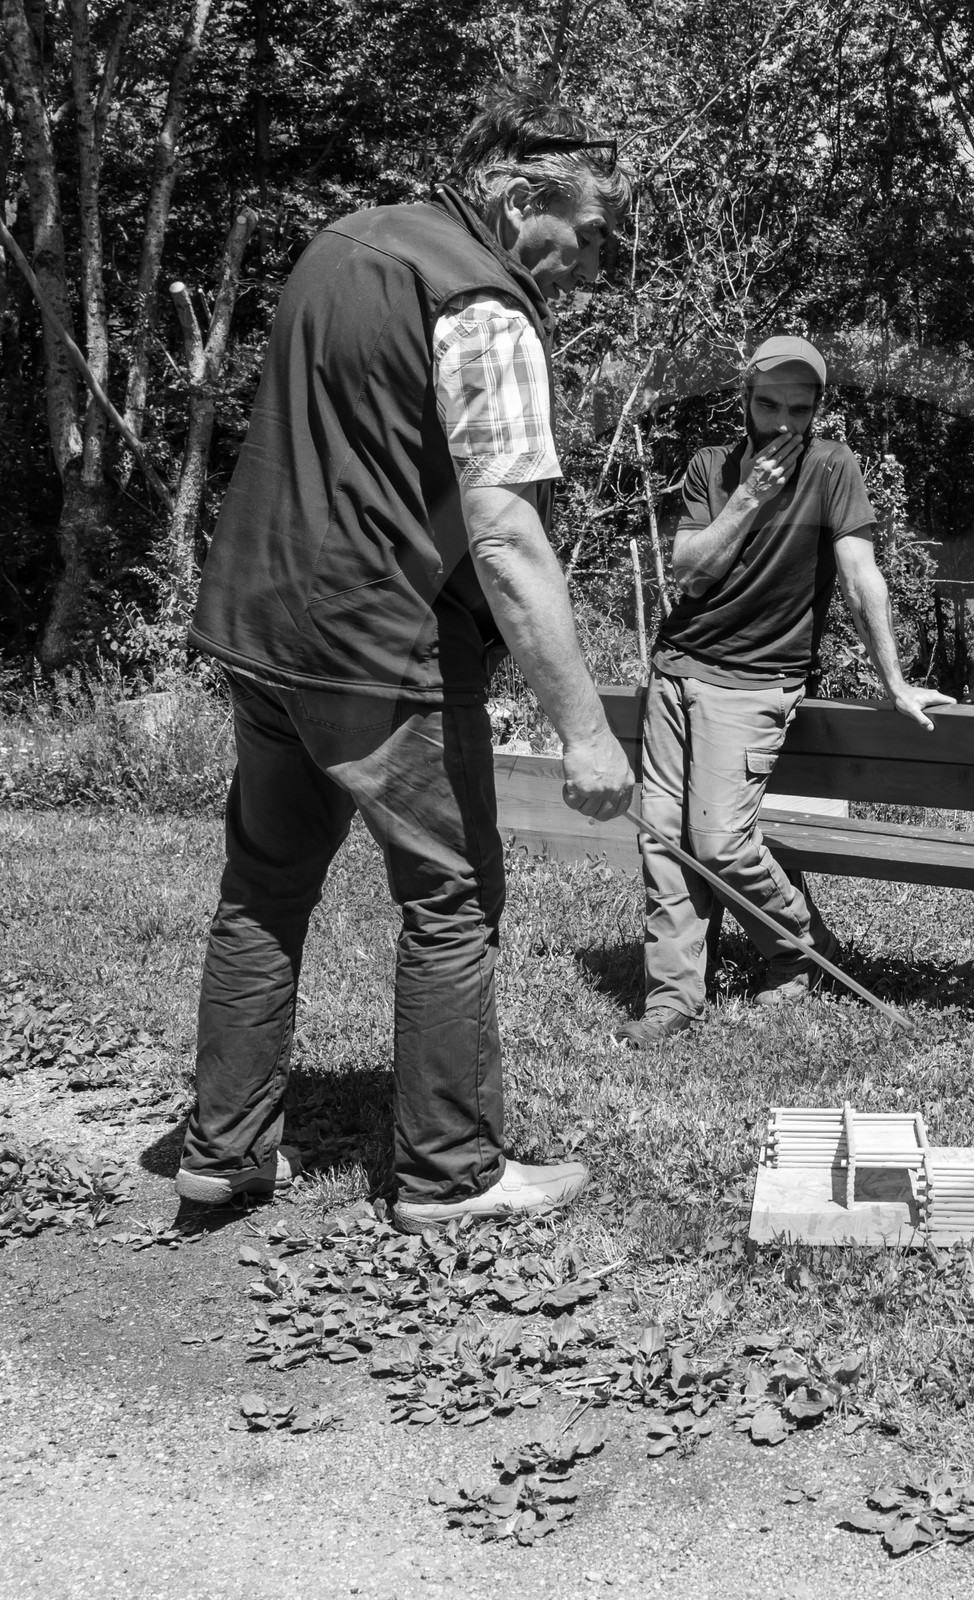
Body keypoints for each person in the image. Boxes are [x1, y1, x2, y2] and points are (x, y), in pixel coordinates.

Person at [176, 85, 635, 1232]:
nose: (591, 268)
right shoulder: (485, 304)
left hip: (259, 625)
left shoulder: (342, 244)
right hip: (371, 648)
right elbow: (507, 535)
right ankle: (451, 1173)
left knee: (264, 886)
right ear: (524, 194)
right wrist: (586, 732)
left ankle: (220, 1151)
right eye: (590, 238)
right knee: (451, 895)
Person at [615, 336, 954, 1046]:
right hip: (677, 670)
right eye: (768, 404)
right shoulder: (711, 466)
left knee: (717, 845)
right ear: (745, 399)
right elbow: (690, 572)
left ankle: (800, 947)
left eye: (798, 410)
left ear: (817, 410)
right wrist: (745, 500)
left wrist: (894, 682)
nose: (780, 423)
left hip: (755, 682)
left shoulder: (834, 468)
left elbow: (861, 579)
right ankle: (672, 999)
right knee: (664, 846)